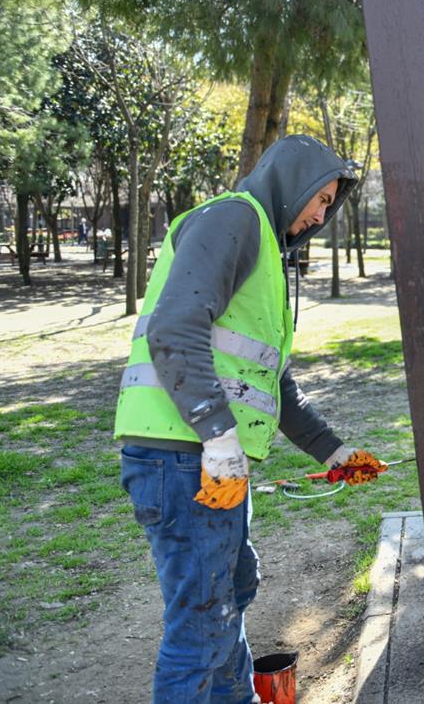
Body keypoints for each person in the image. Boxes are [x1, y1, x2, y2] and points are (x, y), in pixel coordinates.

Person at [115, 134, 385, 703]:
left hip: (209, 461)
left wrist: (333, 453)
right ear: (292, 182)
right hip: (183, 456)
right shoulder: (233, 219)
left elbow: (271, 383)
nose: (322, 212)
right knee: (202, 622)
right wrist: (216, 434)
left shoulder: (264, 247)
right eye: (321, 197)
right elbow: (173, 329)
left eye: (331, 204)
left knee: (230, 591)